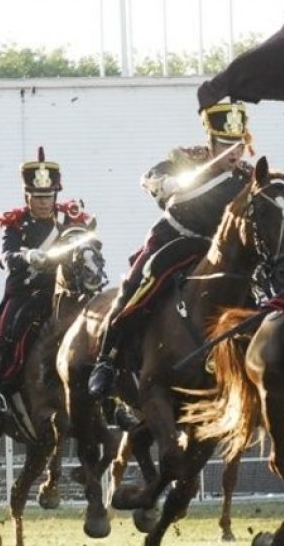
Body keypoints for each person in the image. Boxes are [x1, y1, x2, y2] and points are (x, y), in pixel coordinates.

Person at [87, 100, 253, 399]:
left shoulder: (246, 178)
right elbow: (149, 177)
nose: (234, 151)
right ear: (211, 142)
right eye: (226, 144)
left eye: (238, 145)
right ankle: (107, 360)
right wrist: (164, 183)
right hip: (173, 239)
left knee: (255, 298)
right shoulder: (187, 161)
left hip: (212, 249)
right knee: (135, 286)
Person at [0, 147, 94, 410]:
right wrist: (27, 257)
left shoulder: (69, 220)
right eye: (37, 196)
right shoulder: (16, 224)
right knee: (8, 331)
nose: (43, 202)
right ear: (27, 196)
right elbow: (5, 256)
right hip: (28, 293)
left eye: (48, 196)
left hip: (67, 291)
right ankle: (3, 388)